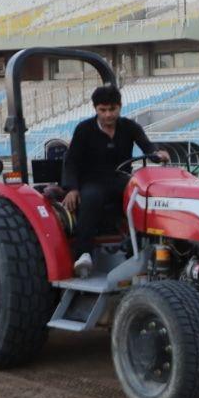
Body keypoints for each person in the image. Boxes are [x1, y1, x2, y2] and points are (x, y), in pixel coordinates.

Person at [62, 85, 168, 277]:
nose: (108, 115)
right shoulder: (84, 129)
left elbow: (148, 147)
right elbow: (71, 162)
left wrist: (157, 154)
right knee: (91, 198)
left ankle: (144, 247)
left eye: (112, 109)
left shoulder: (130, 127)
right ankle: (84, 254)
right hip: (92, 180)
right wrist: (72, 188)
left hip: (121, 178)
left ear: (119, 107)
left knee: (144, 195)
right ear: (95, 109)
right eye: (103, 110)